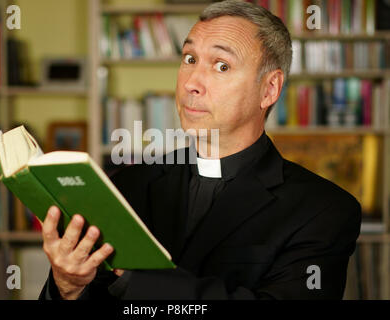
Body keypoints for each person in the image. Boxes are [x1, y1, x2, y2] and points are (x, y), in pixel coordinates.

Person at [39, 0, 361, 300]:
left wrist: (133, 278)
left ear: (269, 89)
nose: (192, 82)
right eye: (190, 59)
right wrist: (66, 287)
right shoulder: (125, 185)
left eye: (221, 66)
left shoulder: (324, 211)